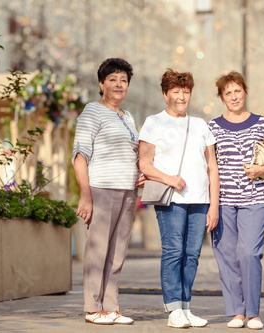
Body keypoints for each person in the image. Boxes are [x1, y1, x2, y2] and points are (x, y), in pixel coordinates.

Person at [139, 69, 220, 329]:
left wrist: (214, 205)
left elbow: (212, 167)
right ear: (165, 94)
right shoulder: (153, 122)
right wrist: (171, 179)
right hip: (171, 199)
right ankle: (173, 308)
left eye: (186, 91)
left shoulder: (200, 125)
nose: (181, 96)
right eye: (176, 91)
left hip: (200, 199)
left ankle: (186, 307)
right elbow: (145, 164)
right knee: (173, 252)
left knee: (193, 255)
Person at [207, 71, 264, 330]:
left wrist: (261, 170)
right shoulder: (212, 127)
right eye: (227, 93)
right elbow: (208, 166)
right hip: (223, 202)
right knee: (227, 256)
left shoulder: (262, 123)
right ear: (222, 97)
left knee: (249, 253)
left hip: (255, 199)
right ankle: (236, 312)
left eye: (237, 91)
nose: (233, 97)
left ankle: (253, 312)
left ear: (245, 92)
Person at [72, 58, 144, 325]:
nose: (118, 84)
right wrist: (85, 195)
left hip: (127, 192)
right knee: (98, 250)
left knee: (117, 251)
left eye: (123, 80)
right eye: (112, 79)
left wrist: (142, 172)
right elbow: (80, 155)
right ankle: (93, 308)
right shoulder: (92, 111)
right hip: (101, 189)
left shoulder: (128, 116)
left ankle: (111, 306)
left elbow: (134, 153)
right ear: (101, 83)